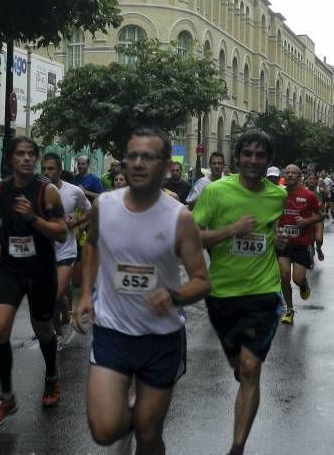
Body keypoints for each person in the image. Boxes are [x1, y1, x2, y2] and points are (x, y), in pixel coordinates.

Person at [73, 126, 210, 455]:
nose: (136, 163)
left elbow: (201, 281)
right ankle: (133, 413)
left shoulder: (180, 218)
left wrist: (173, 295)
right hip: (113, 332)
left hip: (161, 339)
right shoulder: (105, 205)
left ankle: (141, 418)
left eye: (147, 157)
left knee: (149, 434)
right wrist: (86, 294)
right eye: (131, 156)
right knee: (104, 431)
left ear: (165, 166)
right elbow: (91, 245)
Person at [193, 129, 288, 455]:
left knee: (250, 368)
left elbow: (270, 231)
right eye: (247, 153)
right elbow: (193, 239)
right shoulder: (216, 193)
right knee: (241, 364)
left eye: (260, 155)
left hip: (263, 292)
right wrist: (232, 230)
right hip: (222, 296)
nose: (253, 160)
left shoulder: (277, 196)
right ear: (238, 157)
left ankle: (237, 447)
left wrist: (279, 241)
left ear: (268, 161)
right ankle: (241, 366)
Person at [0, 137, 68, 427]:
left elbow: (61, 233)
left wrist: (32, 218)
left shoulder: (48, 192)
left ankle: (52, 376)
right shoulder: (1, 189)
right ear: (10, 159)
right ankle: (6, 396)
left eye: (32, 154)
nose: (27, 158)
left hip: (41, 271)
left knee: (43, 328)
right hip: (10, 269)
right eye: (21, 154)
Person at [40, 153, 91, 349]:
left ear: (59, 170)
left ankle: (61, 327)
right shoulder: (38, 191)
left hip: (66, 251)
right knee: (54, 296)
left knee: (54, 294)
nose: (46, 172)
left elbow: (89, 209)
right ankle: (60, 323)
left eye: (51, 168)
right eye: (43, 168)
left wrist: (76, 222)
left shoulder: (74, 191)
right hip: (45, 252)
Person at [277, 165, 321, 325]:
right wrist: (276, 232)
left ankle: (303, 284)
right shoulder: (278, 193)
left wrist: (306, 221)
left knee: (297, 279)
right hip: (283, 243)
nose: (289, 175)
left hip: (301, 243)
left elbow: (319, 216)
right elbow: (274, 216)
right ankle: (289, 309)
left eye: (293, 173)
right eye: (287, 172)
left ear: (299, 177)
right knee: (284, 275)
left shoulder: (309, 195)